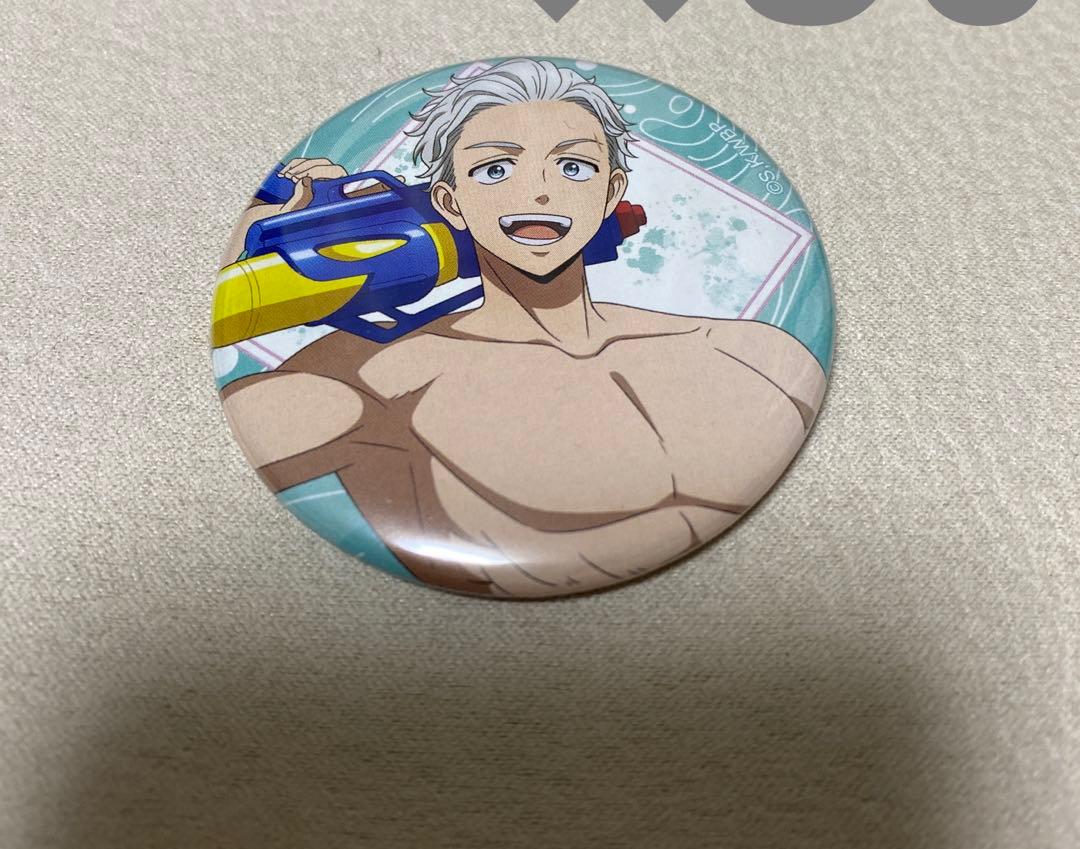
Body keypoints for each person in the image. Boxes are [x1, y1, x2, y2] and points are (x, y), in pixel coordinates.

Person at [221, 58, 825, 597]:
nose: (538, 192)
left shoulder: (750, 349)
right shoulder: (375, 379)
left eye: (573, 166)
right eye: (494, 170)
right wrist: (258, 244)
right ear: (451, 202)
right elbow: (246, 401)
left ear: (611, 193)